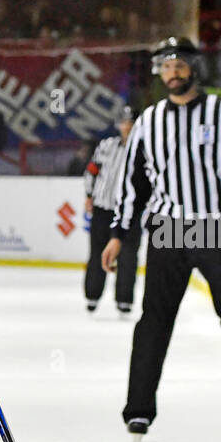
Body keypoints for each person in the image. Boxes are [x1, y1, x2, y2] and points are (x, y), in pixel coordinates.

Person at [102, 37, 221, 442]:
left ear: (194, 67)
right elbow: (133, 186)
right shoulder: (148, 121)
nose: (173, 72)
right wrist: (118, 235)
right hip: (168, 229)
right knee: (154, 322)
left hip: (216, 226)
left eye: (179, 64)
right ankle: (138, 412)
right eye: (166, 66)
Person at [82, 105, 139, 314]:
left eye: (131, 123)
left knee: (128, 255)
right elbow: (92, 170)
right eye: (124, 122)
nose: (127, 127)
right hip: (103, 208)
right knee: (97, 251)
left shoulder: (144, 150)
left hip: (130, 212)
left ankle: (124, 299)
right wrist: (89, 195)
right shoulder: (106, 145)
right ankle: (92, 295)